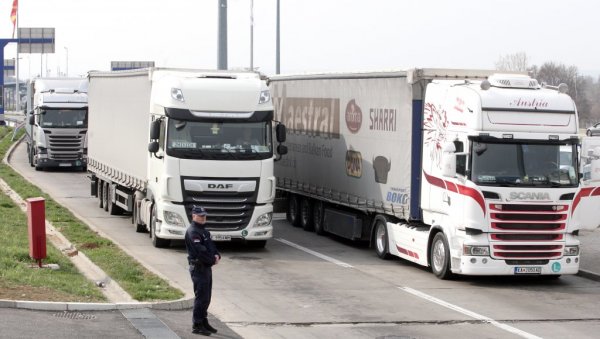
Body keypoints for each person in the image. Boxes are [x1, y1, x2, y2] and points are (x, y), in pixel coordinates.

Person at [185, 206, 221, 336]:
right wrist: (212, 259)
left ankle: (203, 321)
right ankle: (197, 324)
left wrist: (217, 255)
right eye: (200, 216)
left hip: (206, 268)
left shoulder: (204, 231)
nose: (203, 218)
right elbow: (200, 251)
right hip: (198, 268)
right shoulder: (193, 232)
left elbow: (211, 246)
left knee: (207, 297)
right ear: (194, 216)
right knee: (201, 297)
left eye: (204, 215)